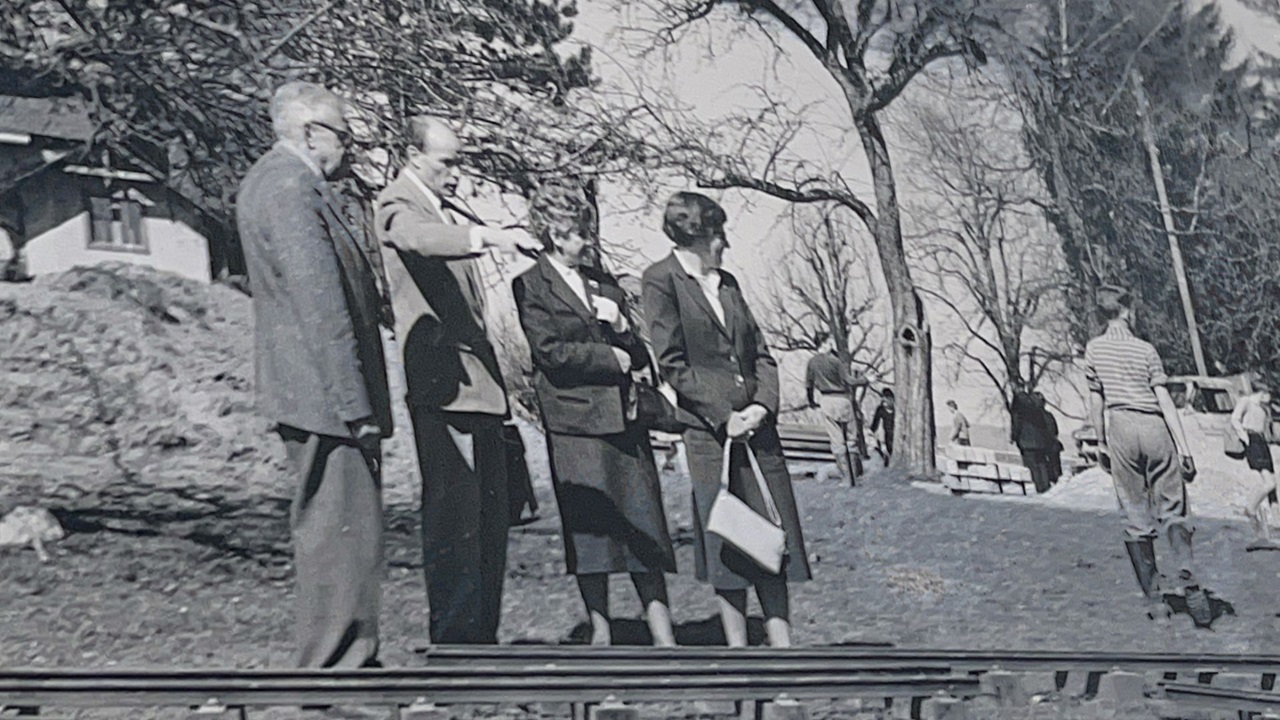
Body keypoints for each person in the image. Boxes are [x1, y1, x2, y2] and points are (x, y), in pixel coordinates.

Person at [236, 82, 392, 672]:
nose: (348, 149)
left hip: (312, 391)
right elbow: (320, 303)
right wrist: (355, 404)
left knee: (343, 536)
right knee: (340, 537)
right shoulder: (291, 186)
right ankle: (336, 675)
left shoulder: (276, 183)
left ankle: (348, 668)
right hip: (322, 397)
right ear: (308, 132)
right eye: (343, 134)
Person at [373, 115, 540, 644]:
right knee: (456, 523)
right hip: (448, 393)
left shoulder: (442, 209)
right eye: (446, 162)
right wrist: (486, 235)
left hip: (481, 392)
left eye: (458, 162)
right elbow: (419, 240)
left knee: (488, 526)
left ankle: (480, 644)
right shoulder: (397, 205)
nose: (456, 174)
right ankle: (456, 645)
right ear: (412, 154)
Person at [642, 191, 811, 648]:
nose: (725, 245)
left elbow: (761, 354)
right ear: (694, 235)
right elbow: (672, 363)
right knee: (731, 542)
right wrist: (724, 414)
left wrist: (763, 405)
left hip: (758, 431)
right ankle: (738, 652)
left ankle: (784, 649)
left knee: (772, 536)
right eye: (718, 235)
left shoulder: (729, 283)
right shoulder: (661, 281)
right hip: (711, 436)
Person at [512, 181, 677, 647]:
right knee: (590, 533)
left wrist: (623, 328)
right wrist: (611, 359)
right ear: (554, 232)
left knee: (645, 525)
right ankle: (601, 635)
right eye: (579, 233)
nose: (588, 241)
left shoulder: (604, 284)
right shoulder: (530, 285)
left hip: (623, 420)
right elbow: (549, 352)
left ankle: (664, 637)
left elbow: (641, 357)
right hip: (574, 424)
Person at [1083, 285, 1212, 626]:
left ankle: (1156, 600)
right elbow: (1165, 400)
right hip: (1154, 426)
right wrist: (1184, 448)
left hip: (1121, 426)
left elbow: (1096, 400)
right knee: (1174, 508)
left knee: (1135, 515)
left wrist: (1100, 442)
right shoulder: (1146, 350)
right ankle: (1188, 576)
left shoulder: (1094, 350)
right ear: (1126, 310)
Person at [805, 334, 859, 482]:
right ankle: (854, 475)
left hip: (826, 400)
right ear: (824, 343)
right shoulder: (835, 361)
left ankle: (846, 477)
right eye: (829, 341)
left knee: (836, 441)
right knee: (851, 438)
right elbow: (850, 380)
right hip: (842, 398)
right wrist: (866, 380)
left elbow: (808, 386)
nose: (831, 344)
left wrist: (811, 402)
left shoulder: (812, 363)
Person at [1230, 385, 1279, 550]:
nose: (1269, 398)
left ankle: (1276, 523)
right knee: (1269, 483)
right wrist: (1245, 439)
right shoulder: (1246, 401)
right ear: (1263, 392)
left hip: (1262, 441)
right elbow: (1235, 419)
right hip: (1253, 440)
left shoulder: (1262, 408)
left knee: (1273, 485)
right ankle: (1250, 508)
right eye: (1268, 395)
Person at [1011, 389, 1055, 493]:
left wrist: (1014, 437)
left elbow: (1017, 426)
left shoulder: (1019, 411)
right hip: (1040, 442)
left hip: (1026, 442)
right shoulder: (1038, 410)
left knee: (1033, 466)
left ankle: (1040, 487)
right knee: (1042, 463)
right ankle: (1046, 486)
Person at [869, 388, 896, 462]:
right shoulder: (881, 409)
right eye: (883, 399)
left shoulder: (897, 409)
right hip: (887, 433)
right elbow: (875, 421)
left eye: (887, 399)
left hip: (896, 433)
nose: (885, 402)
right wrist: (872, 431)